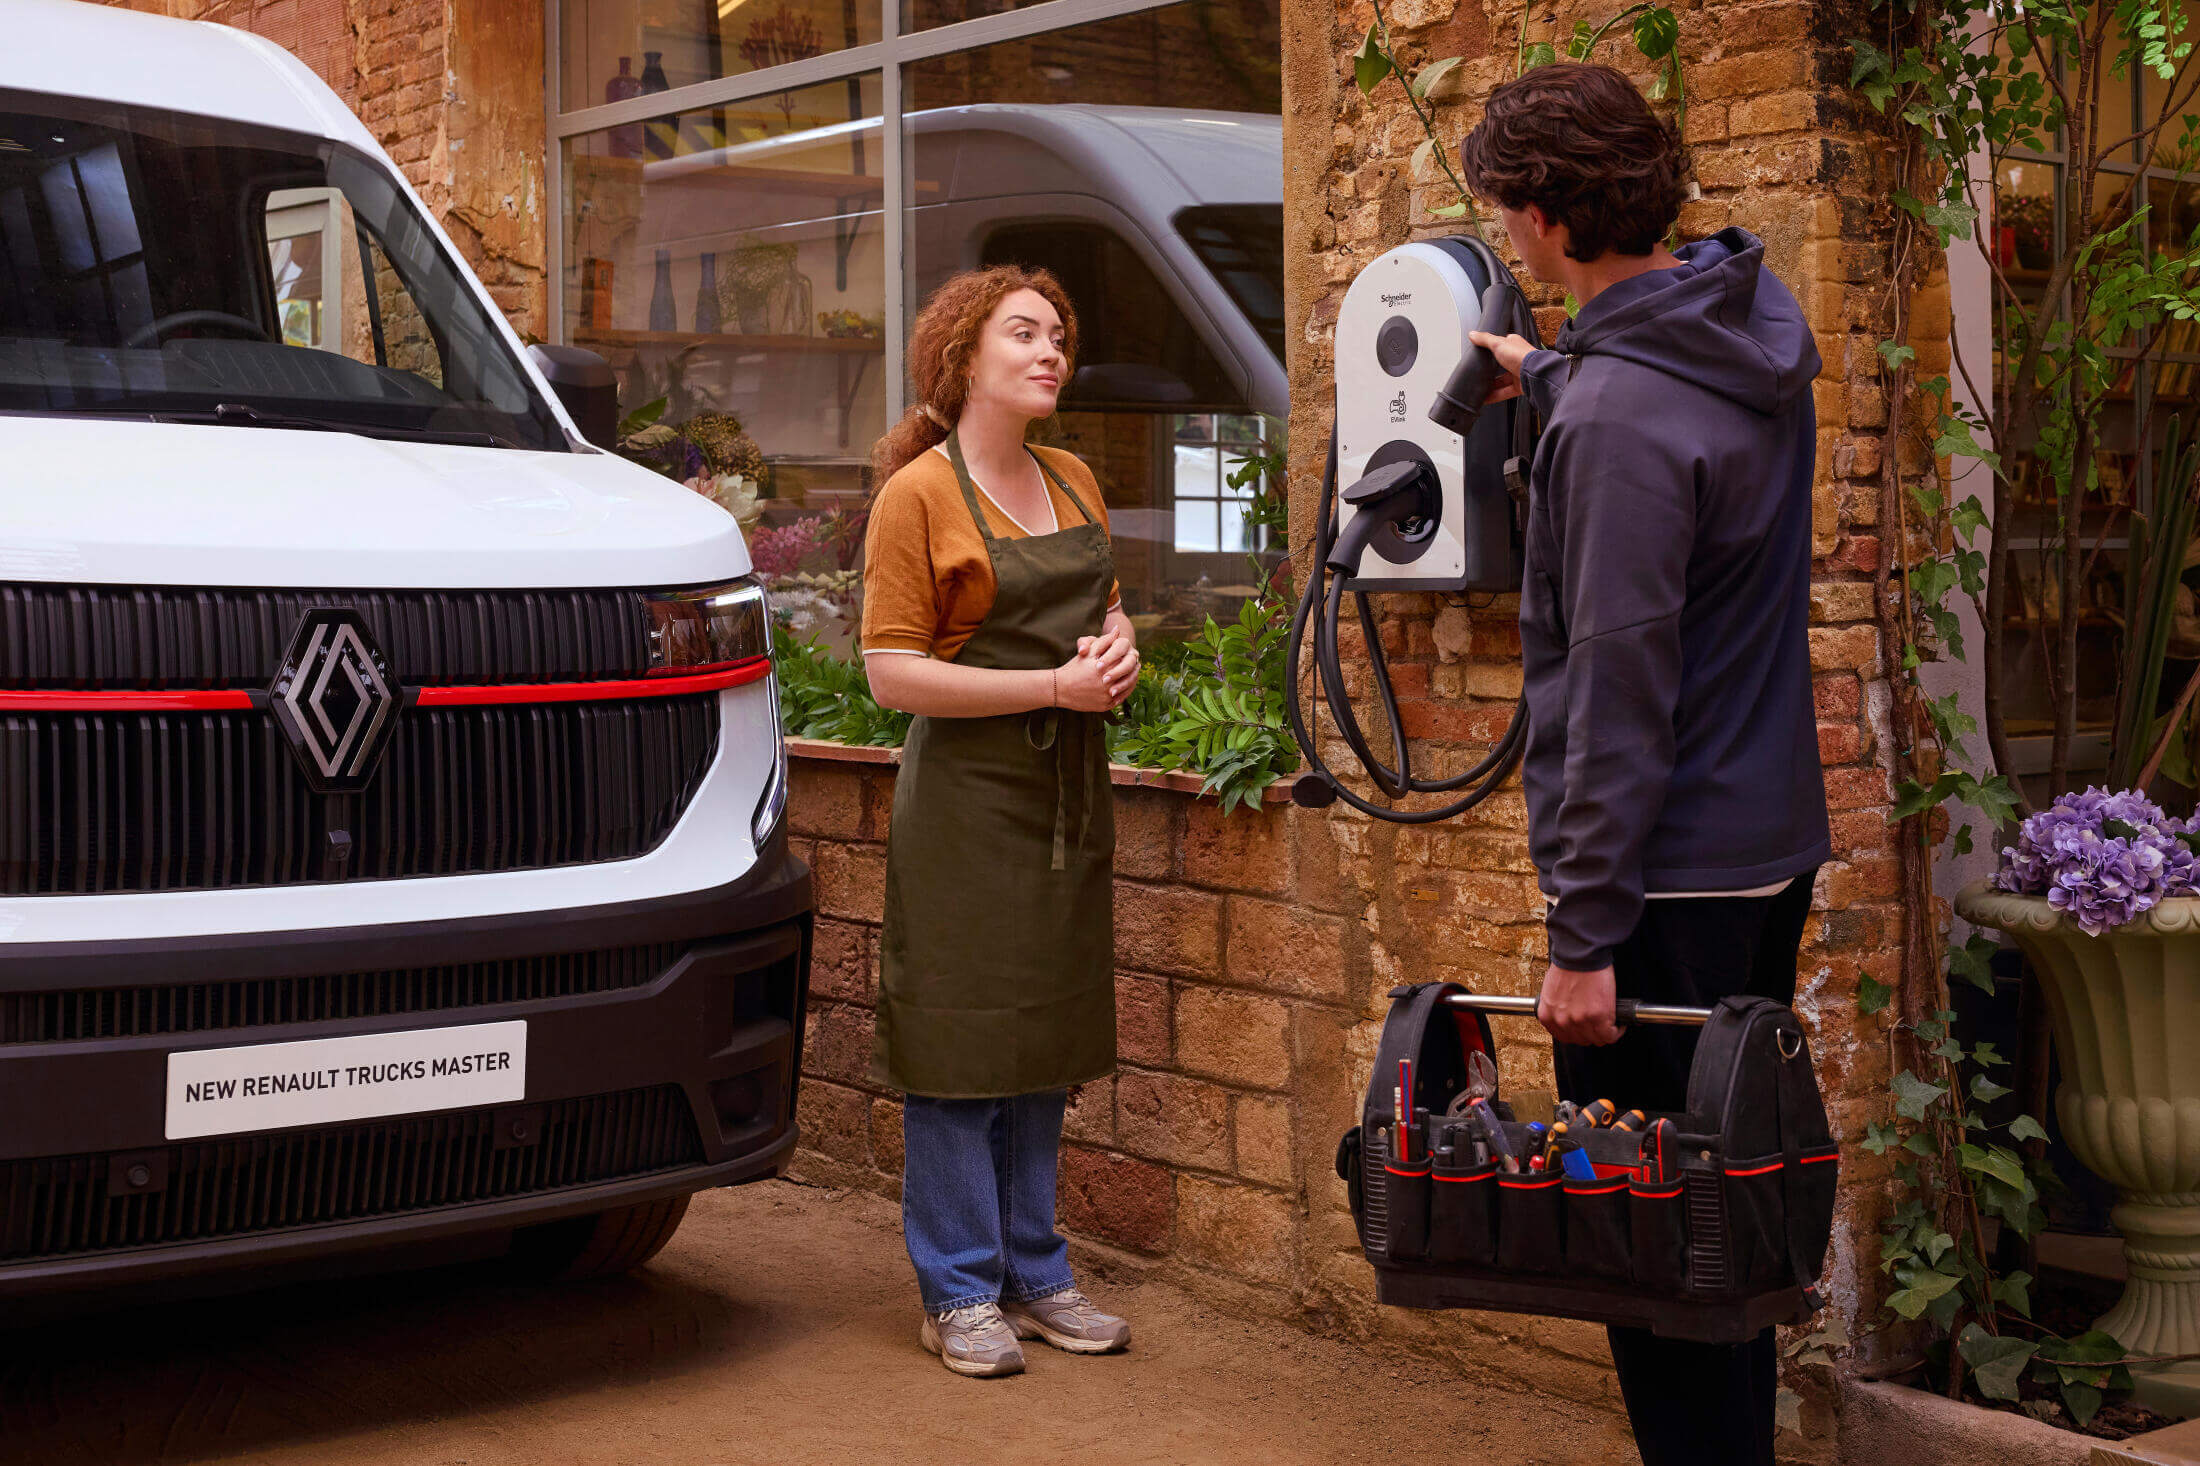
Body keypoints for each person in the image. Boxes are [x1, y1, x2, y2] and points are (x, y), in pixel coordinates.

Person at [1458, 62, 1833, 1466]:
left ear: (1550, 219)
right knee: (1725, 1214)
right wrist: (1550, 371)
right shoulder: (1745, 330)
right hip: (1763, 851)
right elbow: (1681, 448)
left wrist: (1586, 932)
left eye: (1507, 213)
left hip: (1661, 885)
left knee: (1652, 1240)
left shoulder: (1616, 418)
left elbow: (1617, 689)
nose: (1503, 238)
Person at [858, 265, 1142, 1379]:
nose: (1049, 349)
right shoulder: (915, 496)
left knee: (1043, 1044)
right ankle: (958, 1287)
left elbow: (1104, 615)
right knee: (961, 1040)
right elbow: (890, 675)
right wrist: (1048, 692)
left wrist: (1119, 656)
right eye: (1023, 332)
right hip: (969, 806)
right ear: (962, 358)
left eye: (1058, 335)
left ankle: (1036, 1271)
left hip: (1066, 796)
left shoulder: (1073, 479)